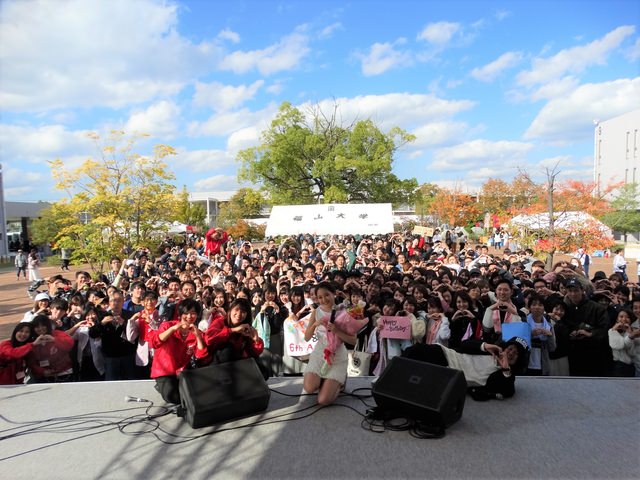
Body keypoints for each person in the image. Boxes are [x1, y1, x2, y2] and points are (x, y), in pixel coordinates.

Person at [402, 336, 530, 400]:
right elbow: (464, 345)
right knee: (413, 351)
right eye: (510, 348)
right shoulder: (489, 350)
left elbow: (508, 391)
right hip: (448, 356)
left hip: (452, 376)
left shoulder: (506, 376)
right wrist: (484, 346)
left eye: (516, 353)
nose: (511, 353)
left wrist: (505, 370)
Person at [302, 282, 366, 406]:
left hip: (337, 354)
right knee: (309, 388)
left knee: (323, 400)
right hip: (320, 353)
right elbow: (306, 337)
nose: (323, 299)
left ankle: (339, 383)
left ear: (334, 294)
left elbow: (353, 341)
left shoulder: (345, 312)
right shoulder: (316, 312)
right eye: (320, 297)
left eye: (327, 295)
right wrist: (315, 324)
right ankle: (323, 381)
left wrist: (336, 330)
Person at [148, 298, 209, 404]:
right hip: (164, 371)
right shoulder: (167, 326)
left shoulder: (197, 332)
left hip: (183, 371)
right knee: (173, 396)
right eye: (186, 313)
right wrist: (173, 329)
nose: (189, 317)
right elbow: (154, 343)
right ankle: (161, 386)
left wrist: (198, 336)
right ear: (180, 314)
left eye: (193, 313)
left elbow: (201, 356)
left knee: (197, 394)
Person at [205, 297, 266, 378]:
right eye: (236, 310)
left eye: (243, 311)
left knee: (263, 371)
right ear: (230, 311)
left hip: (236, 364)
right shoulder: (220, 322)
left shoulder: (246, 328)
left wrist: (256, 340)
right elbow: (208, 339)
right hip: (217, 365)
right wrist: (232, 330)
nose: (239, 314)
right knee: (227, 349)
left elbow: (255, 354)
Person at [563, 278, 611, 376]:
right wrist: (570, 333)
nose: (573, 294)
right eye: (570, 291)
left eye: (576, 290)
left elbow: (605, 329)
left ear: (582, 290)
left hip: (593, 355)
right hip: (572, 355)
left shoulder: (597, 308)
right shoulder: (565, 308)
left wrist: (590, 334)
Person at [26, 315, 75, 382]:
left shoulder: (57, 333)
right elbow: (31, 362)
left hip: (64, 373)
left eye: (43, 325)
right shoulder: (33, 341)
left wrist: (55, 340)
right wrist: (42, 371)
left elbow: (70, 344)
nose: (40, 328)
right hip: (44, 376)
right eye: (37, 327)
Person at [607, 309, 636, 377]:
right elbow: (619, 345)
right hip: (619, 366)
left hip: (632, 366)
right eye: (621, 316)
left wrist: (629, 332)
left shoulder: (633, 332)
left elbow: (632, 352)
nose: (624, 319)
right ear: (617, 319)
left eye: (627, 317)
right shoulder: (612, 331)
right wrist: (614, 329)